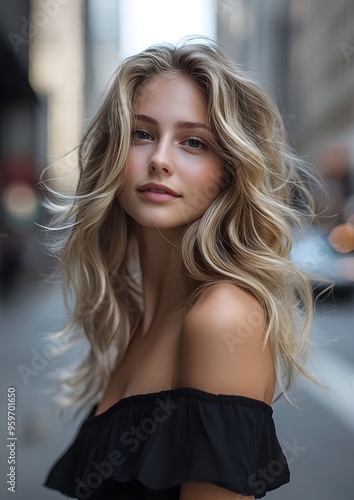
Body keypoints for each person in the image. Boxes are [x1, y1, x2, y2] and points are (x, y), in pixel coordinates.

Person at [43, 36, 319, 499]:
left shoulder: (221, 319)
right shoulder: (139, 319)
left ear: (230, 171)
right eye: (142, 133)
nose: (160, 160)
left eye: (193, 142)